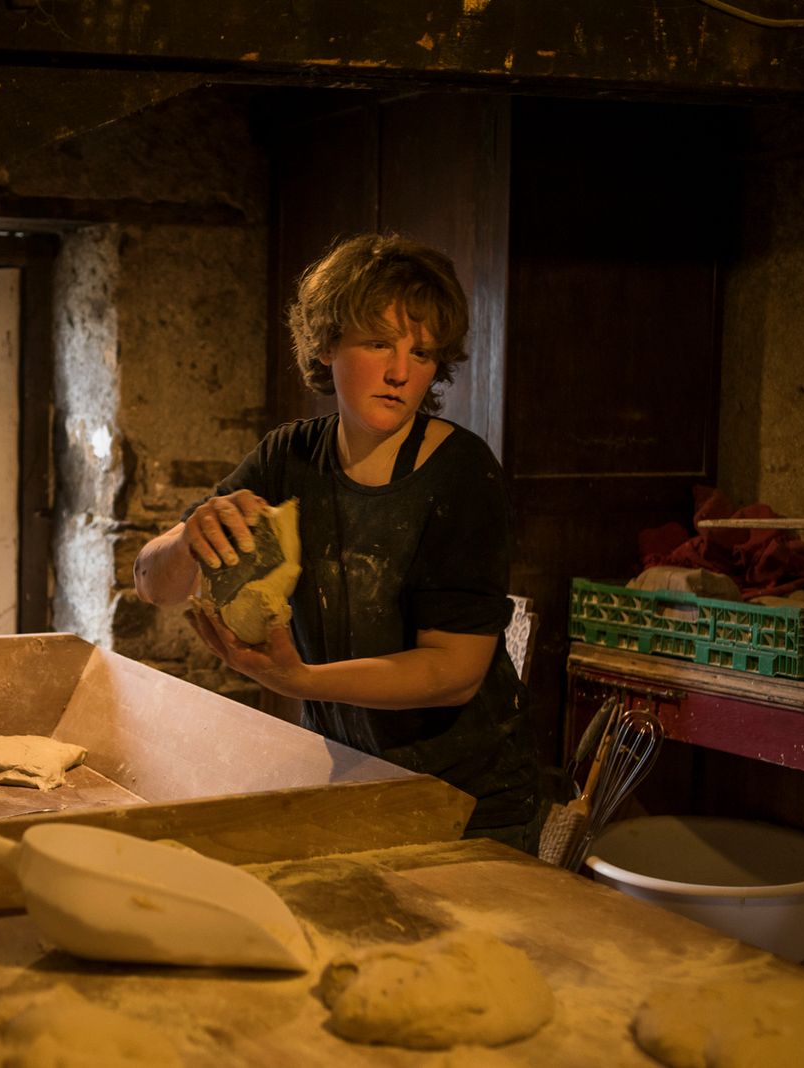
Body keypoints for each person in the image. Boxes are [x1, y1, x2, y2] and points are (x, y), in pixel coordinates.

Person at [133, 232, 540, 850]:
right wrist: (192, 536)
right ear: (328, 345)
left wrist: (300, 683)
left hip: (468, 805)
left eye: (423, 354)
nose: (401, 372)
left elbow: (453, 673)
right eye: (378, 343)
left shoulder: (462, 472)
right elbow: (151, 585)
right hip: (354, 784)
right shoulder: (288, 456)